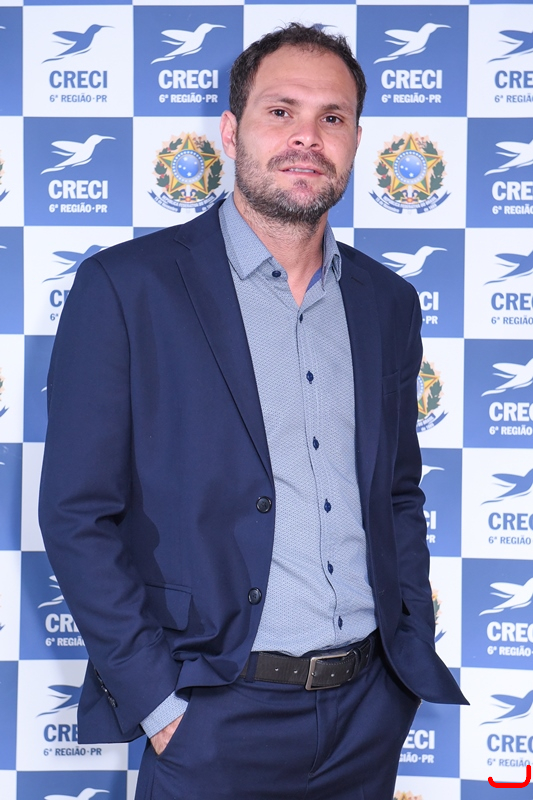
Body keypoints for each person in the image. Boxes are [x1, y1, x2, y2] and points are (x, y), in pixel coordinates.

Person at [39, 23, 466, 800]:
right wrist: (157, 703)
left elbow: (397, 493)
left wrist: (404, 653)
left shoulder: (387, 302)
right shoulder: (127, 288)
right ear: (232, 132)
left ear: (355, 139)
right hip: (209, 712)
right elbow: (76, 513)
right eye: (281, 111)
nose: (307, 136)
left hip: (366, 713)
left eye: (331, 117)